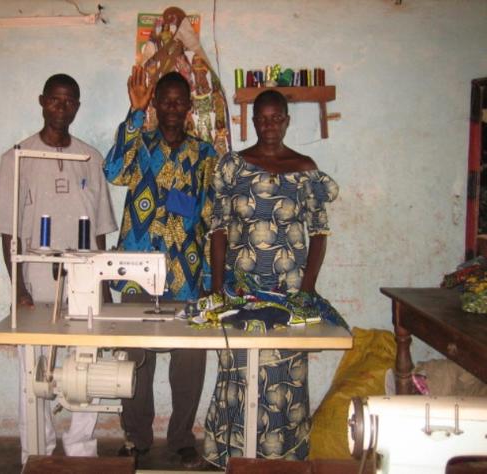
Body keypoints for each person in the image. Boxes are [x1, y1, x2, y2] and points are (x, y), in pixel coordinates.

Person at [0, 73, 117, 465]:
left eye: (70, 101)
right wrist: (18, 288)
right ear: (42, 101)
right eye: (55, 100)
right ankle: (36, 449)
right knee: (33, 370)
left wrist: (104, 285)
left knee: (87, 367)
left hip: (84, 279)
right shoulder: (17, 158)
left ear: (78, 106)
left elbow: (100, 228)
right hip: (36, 280)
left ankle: (81, 446)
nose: (62, 107)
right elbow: (8, 232)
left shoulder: (90, 158)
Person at [203, 90, 340, 468]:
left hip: (289, 294)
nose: (269, 125)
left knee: (284, 377)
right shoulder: (232, 167)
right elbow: (218, 229)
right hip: (240, 293)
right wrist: (217, 289)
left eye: (276, 118)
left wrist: (307, 289)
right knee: (238, 372)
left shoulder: (304, 169)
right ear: (253, 122)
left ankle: (283, 462)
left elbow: (319, 233)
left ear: (286, 120)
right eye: (262, 119)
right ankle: (234, 458)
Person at [103, 66, 217, 469]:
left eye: (178, 101)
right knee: (134, 357)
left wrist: (210, 278)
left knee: (190, 359)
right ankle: (136, 439)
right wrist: (134, 114)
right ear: (155, 104)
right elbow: (113, 171)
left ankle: (182, 439)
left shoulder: (205, 155)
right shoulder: (140, 144)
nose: (171, 107)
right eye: (164, 100)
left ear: (188, 108)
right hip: (137, 270)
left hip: (186, 272)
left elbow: (212, 216)